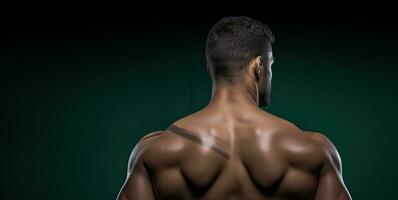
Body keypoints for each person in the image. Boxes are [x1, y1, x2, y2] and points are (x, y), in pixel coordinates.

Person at [117, 16, 352, 200]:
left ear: (211, 68)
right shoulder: (312, 150)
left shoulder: (155, 152)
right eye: (270, 66)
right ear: (259, 66)